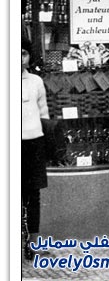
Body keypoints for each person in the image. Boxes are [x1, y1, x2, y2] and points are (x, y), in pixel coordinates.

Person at [21, 37, 50, 261]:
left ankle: (33, 244)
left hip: (34, 143)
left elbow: (43, 112)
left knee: (34, 195)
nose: (19, 58)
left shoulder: (36, 81)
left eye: (24, 53)